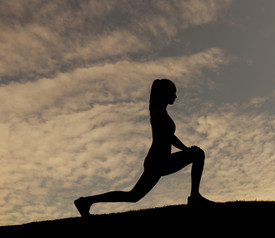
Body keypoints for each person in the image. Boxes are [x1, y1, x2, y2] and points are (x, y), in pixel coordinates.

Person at [74, 79, 213, 217]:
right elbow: (169, 137)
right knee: (198, 154)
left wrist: (186, 150)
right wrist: (186, 150)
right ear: (165, 93)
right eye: (173, 92)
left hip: (157, 160)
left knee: (133, 196)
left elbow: (169, 136)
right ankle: (194, 197)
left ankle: (86, 201)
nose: (175, 96)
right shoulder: (159, 112)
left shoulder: (160, 111)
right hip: (159, 161)